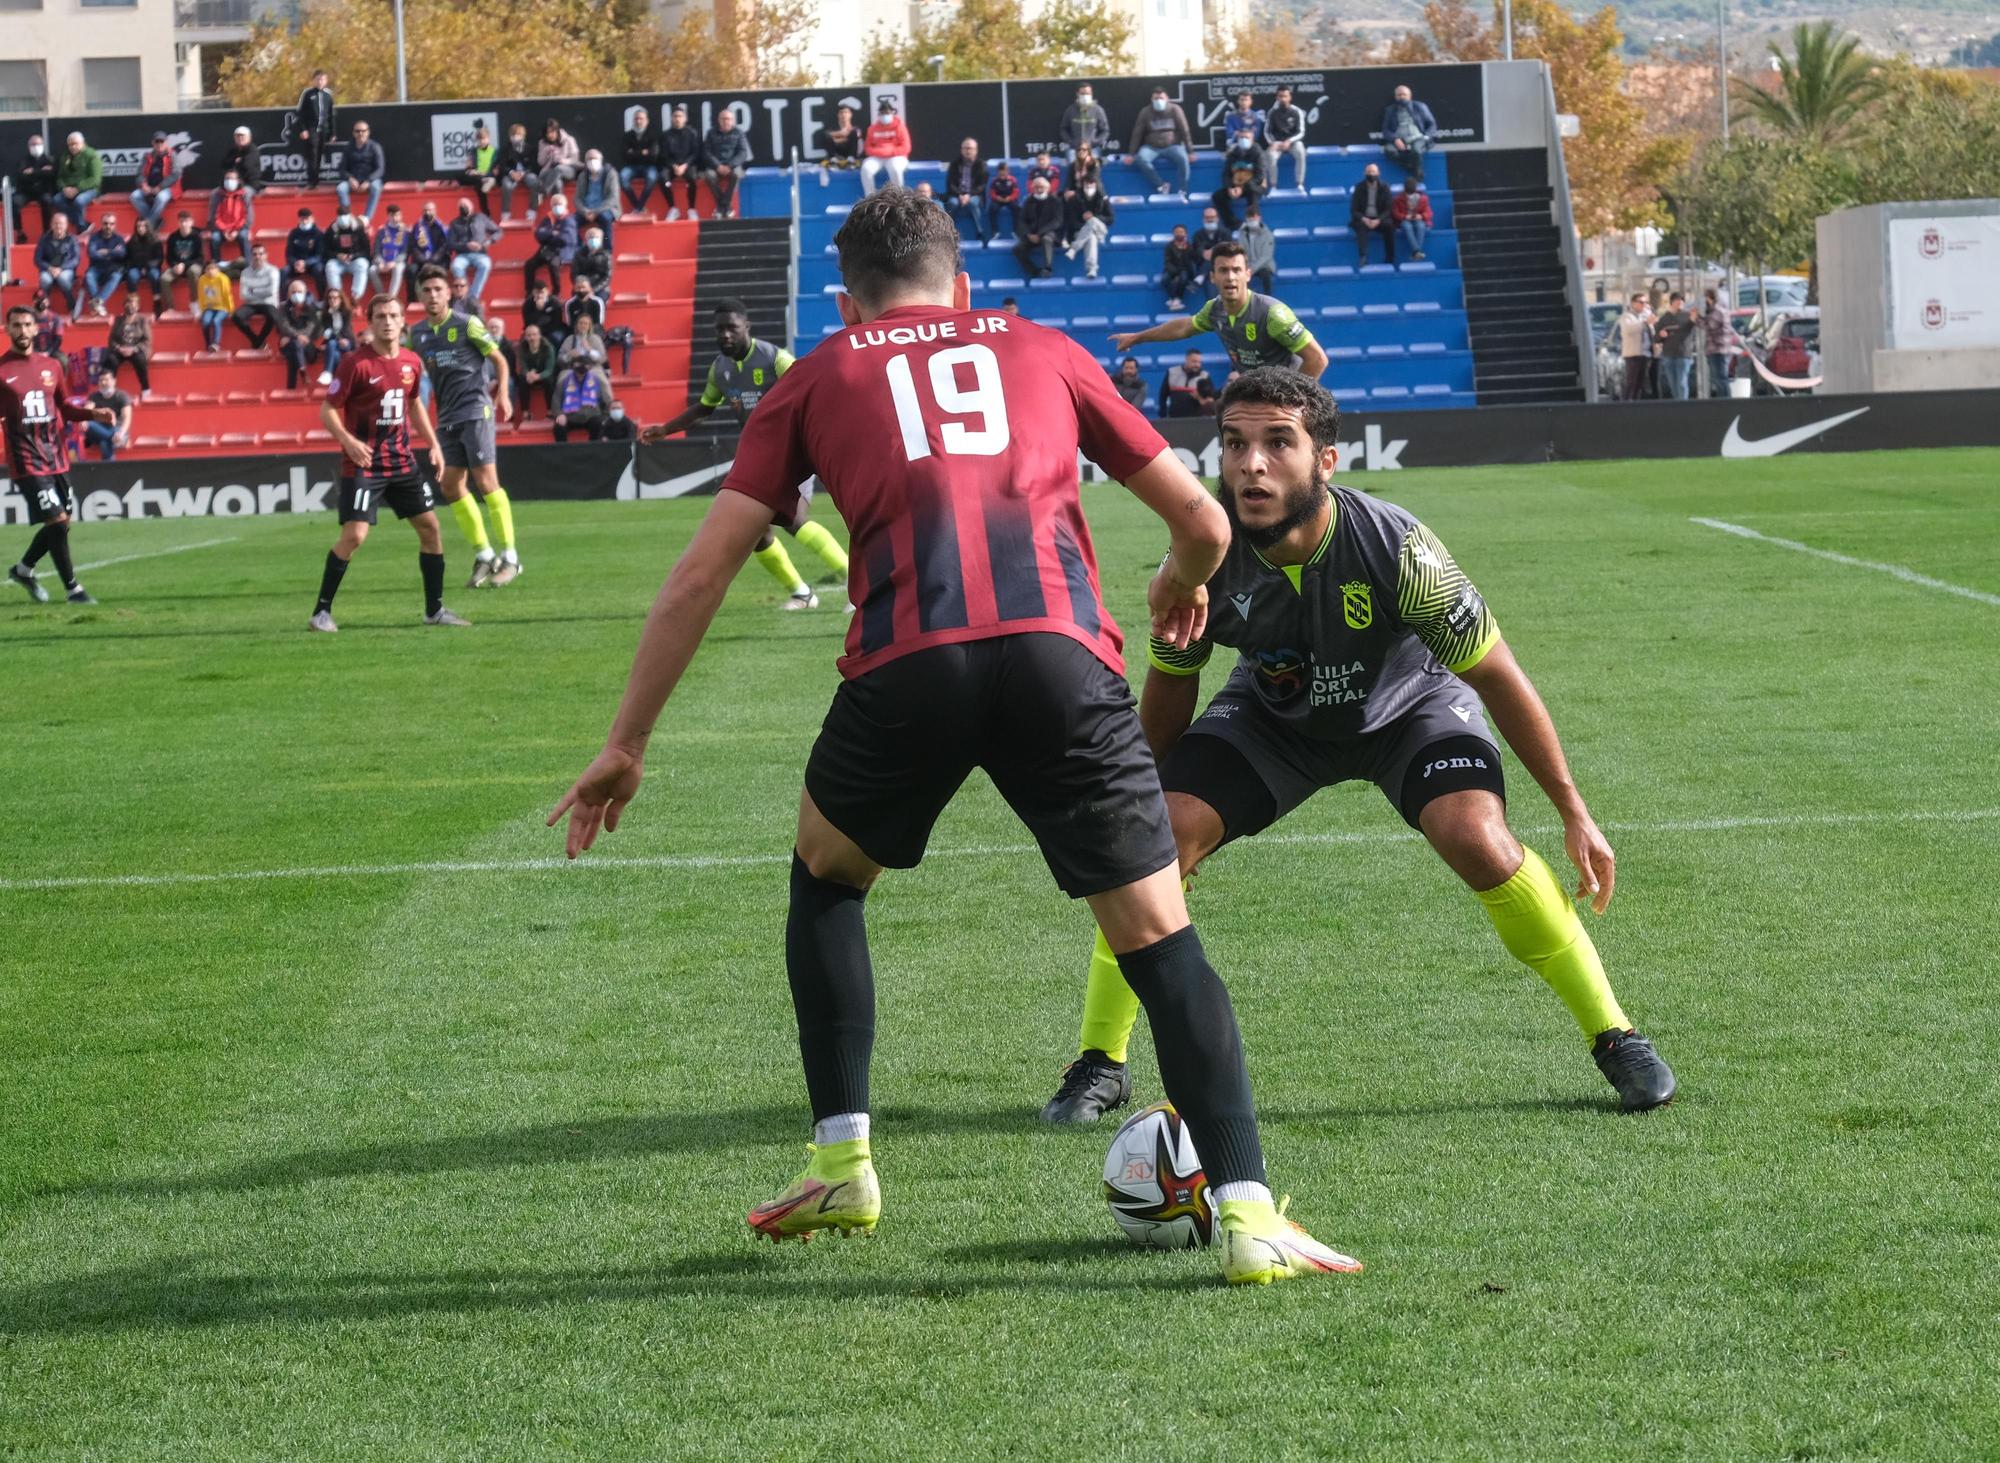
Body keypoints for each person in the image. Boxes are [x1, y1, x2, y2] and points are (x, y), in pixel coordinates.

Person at [548, 188, 1359, 1284]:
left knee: (827, 877)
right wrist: (1178, 584)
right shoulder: (1041, 347)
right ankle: (1251, 1210)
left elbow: (702, 570)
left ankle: (842, 1160)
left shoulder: (814, 374)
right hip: (1060, 657)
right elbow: (1207, 522)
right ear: (962, 284)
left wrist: (626, 742)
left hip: (906, 663)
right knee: (1158, 938)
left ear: (847, 301)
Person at [1042, 367, 1677, 1123]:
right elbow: (1173, 685)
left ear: (1326, 460)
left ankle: (1616, 1035)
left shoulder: (1399, 548)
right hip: (1273, 719)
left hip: (1409, 708)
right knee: (1163, 839)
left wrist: (1574, 809)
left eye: (1279, 443)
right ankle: (1100, 1061)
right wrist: (1133, 809)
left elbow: (1499, 675)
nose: (1252, 465)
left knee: (1476, 836)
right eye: (1235, 444)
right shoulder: (1200, 555)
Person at [638, 299, 848, 609]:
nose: (725, 335)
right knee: (756, 533)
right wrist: (665, 430)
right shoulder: (720, 369)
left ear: (746, 327)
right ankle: (802, 593)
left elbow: (810, 392)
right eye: (719, 329)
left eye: (731, 328)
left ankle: (856, 580)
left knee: (794, 520)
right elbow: (704, 408)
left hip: (793, 450)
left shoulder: (774, 358)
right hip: (759, 455)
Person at [308, 293, 462, 632]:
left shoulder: (411, 361)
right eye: (381, 316)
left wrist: (433, 445)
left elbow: (414, 405)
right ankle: (321, 612)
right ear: (370, 321)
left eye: (393, 315)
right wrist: (349, 442)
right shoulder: (355, 364)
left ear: (402, 320)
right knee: (355, 536)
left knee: (431, 529)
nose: (388, 322)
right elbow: (327, 410)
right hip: (364, 464)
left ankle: (434, 610)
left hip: (402, 462)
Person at [409, 266, 521, 588]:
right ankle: (485, 554)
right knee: (451, 486)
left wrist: (502, 395)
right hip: (446, 417)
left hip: (475, 410)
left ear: (449, 293)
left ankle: (511, 557)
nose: (433, 295)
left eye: (438, 289)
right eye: (426, 290)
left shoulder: (467, 323)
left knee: (486, 482)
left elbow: (498, 359)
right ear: (420, 296)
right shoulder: (417, 334)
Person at [4, 305, 114, 603]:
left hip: (55, 455)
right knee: (56, 519)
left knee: (62, 523)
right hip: (25, 458)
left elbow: (64, 407)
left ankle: (24, 570)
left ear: (36, 328)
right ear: (8, 328)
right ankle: (73, 589)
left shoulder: (52, 365)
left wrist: (93, 414)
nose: (23, 330)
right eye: (16, 325)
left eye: (27, 325)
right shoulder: (2, 371)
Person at [1112, 243, 1328, 379]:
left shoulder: (1272, 313)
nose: (1230, 277)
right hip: (1255, 393)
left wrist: (1294, 400)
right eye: (1223, 270)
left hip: (1286, 395)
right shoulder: (1215, 309)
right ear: (1213, 277)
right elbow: (1183, 328)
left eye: (1236, 270)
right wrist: (1137, 337)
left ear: (1248, 275)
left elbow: (1317, 360)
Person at [1127, 87, 1194, 197]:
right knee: (1141, 158)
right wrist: (1131, 154)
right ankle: (1161, 185)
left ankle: (1183, 189)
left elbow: (1185, 130)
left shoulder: (1175, 109)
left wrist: (1190, 151)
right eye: (1156, 98)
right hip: (1152, 147)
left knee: (1183, 159)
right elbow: (1137, 133)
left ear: (1167, 98)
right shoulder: (1145, 112)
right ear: (1151, 99)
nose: (1159, 100)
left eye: (1161, 98)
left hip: (1173, 146)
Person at [1381, 83, 1439, 186]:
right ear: (1395, 97)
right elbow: (1386, 129)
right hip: (1400, 139)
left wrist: (1426, 137)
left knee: (1416, 150)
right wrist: (1395, 139)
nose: (1401, 97)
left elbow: (1432, 124)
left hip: (1418, 138)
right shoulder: (1390, 110)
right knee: (1389, 150)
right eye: (1399, 95)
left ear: (1410, 96)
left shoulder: (1420, 106)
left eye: (1404, 94)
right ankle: (1412, 166)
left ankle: (1418, 176)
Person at [701, 109, 751, 220]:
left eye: (728, 119)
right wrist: (717, 166)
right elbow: (706, 152)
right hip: (715, 166)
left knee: (737, 175)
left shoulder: (739, 133)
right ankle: (727, 207)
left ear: (733, 121)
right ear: (718, 120)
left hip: (732, 166)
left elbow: (743, 153)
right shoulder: (711, 133)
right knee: (709, 175)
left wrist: (730, 166)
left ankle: (721, 205)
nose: (725, 121)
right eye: (723, 119)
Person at [232, 243, 284, 349]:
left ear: (266, 255)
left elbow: (271, 292)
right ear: (251, 256)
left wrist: (253, 290)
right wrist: (261, 292)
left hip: (268, 303)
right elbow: (243, 295)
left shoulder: (273, 270)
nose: (258, 257)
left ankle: (258, 342)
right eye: (255, 254)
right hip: (251, 304)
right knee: (237, 316)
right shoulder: (245, 272)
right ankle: (256, 341)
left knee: (273, 317)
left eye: (261, 254)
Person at [1061, 176, 1114, 279]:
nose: (1089, 187)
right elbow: (1072, 221)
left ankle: (1074, 249)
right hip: (1080, 232)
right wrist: (1086, 226)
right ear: (1083, 185)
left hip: (1100, 230)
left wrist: (1094, 218)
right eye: (1087, 185)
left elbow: (1111, 219)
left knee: (1093, 221)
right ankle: (1092, 269)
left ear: (1096, 185)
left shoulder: (1103, 198)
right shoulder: (1075, 199)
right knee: (1091, 238)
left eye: (1092, 184)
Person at [447, 199, 500, 302]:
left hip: (480, 254)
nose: (463, 207)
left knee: (485, 265)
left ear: (472, 207)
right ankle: (465, 294)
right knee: (456, 266)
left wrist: (487, 243)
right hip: (462, 255)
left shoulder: (481, 218)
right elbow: (450, 243)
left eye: (465, 205)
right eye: (461, 206)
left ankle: (473, 297)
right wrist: (466, 245)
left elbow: (498, 231)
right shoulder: (454, 223)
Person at [525, 196, 578, 297]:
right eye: (554, 204)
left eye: (559, 204)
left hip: (562, 250)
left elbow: (564, 240)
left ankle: (556, 291)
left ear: (565, 205)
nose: (557, 206)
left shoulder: (569, 220)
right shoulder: (547, 218)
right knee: (529, 264)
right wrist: (554, 234)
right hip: (546, 249)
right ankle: (529, 291)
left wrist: (548, 235)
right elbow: (538, 234)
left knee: (553, 264)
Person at [1013, 176, 1064, 280]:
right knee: (1018, 249)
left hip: (1049, 233)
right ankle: (1034, 271)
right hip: (1031, 234)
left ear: (1047, 188)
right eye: (1036, 187)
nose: (1039, 190)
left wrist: (1040, 233)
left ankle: (1048, 268)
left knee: (1047, 239)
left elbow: (1057, 221)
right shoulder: (1028, 201)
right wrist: (1028, 234)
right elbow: (1022, 220)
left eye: (1042, 187)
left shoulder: (1055, 201)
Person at [276, 280, 324, 389]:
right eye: (293, 292)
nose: (296, 294)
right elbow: (284, 326)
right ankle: (302, 372)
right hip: (289, 345)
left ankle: (291, 387)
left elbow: (310, 329)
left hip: (309, 347)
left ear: (305, 292)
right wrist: (297, 337)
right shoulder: (283, 307)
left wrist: (293, 337)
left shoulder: (312, 307)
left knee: (293, 350)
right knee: (294, 346)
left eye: (299, 291)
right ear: (288, 294)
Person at [860, 96, 911, 196]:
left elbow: (906, 147)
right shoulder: (873, 128)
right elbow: (867, 148)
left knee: (895, 168)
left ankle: (899, 196)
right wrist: (881, 152)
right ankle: (870, 197)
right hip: (878, 157)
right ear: (879, 114)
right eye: (882, 113)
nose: (885, 115)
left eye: (887, 113)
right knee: (866, 168)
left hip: (896, 157)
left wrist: (889, 152)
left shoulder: (900, 126)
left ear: (892, 113)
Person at [128, 132, 181, 229]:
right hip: (149, 187)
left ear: (166, 142)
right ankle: (155, 220)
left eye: (162, 141)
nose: (159, 144)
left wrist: (160, 187)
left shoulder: (172, 155)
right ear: (153, 143)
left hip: (168, 188)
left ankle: (149, 225)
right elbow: (139, 174)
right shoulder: (147, 156)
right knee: (134, 196)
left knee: (160, 198)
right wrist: (143, 185)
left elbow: (176, 174)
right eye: (157, 141)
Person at [337, 121, 386, 225]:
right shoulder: (348, 148)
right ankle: (348, 217)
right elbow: (341, 169)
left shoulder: (375, 147)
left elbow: (380, 169)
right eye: (357, 131)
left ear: (368, 132)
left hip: (371, 180)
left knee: (376, 187)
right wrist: (350, 179)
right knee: (341, 188)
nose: (360, 134)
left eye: (363, 131)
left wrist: (368, 181)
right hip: (353, 180)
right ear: (353, 133)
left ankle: (366, 218)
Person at [551, 358, 612, 440]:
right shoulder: (564, 382)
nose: (580, 375)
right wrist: (559, 414)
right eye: (578, 372)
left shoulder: (598, 381)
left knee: (598, 424)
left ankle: (593, 450)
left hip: (591, 416)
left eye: (583, 372)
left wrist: (605, 416)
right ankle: (564, 452)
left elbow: (607, 401)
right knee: (559, 427)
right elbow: (556, 400)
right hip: (569, 416)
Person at [660, 104, 702, 219]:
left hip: (688, 165)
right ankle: (673, 208)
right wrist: (674, 166)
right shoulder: (666, 135)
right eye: (675, 116)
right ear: (671, 118)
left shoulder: (692, 133)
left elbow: (695, 153)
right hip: (671, 166)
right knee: (663, 179)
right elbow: (663, 155)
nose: (677, 118)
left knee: (692, 179)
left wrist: (685, 165)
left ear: (685, 118)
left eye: (680, 116)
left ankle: (692, 209)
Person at [1262, 85, 1307, 192]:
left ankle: (1299, 184)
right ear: (1277, 98)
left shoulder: (1297, 111)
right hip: (1277, 143)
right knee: (1270, 155)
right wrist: (1272, 143)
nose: (1283, 99)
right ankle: (1273, 186)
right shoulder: (1272, 112)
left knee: (1301, 151)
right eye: (1280, 96)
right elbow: (1266, 131)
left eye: (1285, 96)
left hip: (1293, 142)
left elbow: (1301, 132)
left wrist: (1289, 141)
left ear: (1290, 97)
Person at [574, 149, 622, 249]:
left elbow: (613, 198)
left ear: (601, 160)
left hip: (605, 209)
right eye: (589, 159)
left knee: (606, 219)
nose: (592, 161)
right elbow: (577, 198)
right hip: (586, 210)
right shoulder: (583, 176)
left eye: (594, 158)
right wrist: (585, 211)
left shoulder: (610, 174)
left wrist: (596, 212)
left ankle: (607, 250)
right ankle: (581, 249)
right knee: (570, 223)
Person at [82, 365, 132, 461]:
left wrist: (121, 433)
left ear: (114, 381)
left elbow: (127, 417)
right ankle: (114, 439)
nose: (103, 383)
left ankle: (110, 471)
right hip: (99, 429)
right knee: (89, 424)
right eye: (101, 380)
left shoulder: (122, 396)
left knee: (104, 443)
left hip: (117, 429)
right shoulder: (94, 396)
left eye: (106, 380)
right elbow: (87, 409)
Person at [1350, 162, 1396, 265]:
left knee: (1389, 226)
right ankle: (1363, 257)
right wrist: (1364, 219)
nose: (1371, 174)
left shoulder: (1385, 187)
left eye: (1373, 172)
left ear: (1378, 173)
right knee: (1360, 226)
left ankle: (1390, 257)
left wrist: (1378, 220)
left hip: (1380, 218)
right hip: (1364, 218)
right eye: (1369, 172)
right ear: (1365, 173)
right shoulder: (1359, 187)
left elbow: (1388, 209)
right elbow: (1354, 210)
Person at [54, 133, 103, 230]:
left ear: (83, 143)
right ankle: (83, 224)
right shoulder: (65, 156)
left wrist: (78, 189)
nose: (72, 147)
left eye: (75, 144)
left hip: (89, 189)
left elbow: (95, 179)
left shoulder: (92, 155)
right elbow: (60, 177)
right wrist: (64, 188)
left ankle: (81, 228)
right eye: (70, 145)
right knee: (57, 200)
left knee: (79, 201)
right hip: (68, 189)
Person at [12, 134, 58, 238]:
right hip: (26, 191)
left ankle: (47, 232)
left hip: (43, 190)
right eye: (33, 144)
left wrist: (33, 171)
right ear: (28, 146)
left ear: (43, 145)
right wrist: (41, 172)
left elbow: (51, 175)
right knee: (14, 201)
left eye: (38, 144)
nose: (36, 146)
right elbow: (21, 176)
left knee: (47, 201)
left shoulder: (49, 159)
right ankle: (19, 232)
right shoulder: (23, 161)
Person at [83, 214, 129, 318]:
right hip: (96, 268)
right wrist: (113, 252)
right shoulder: (94, 238)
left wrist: (105, 252)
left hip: (112, 269)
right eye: (105, 223)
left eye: (111, 224)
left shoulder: (119, 238)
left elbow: (122, 254)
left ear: (115, 225)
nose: (108, 226)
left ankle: (97, 304)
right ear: (101, 224)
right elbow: (91, 253)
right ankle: (99, 305)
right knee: (89, 276)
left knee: (116, 276)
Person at [295, 70, 335, 187]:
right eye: (318, 79)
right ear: (314, 80)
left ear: (326, 81)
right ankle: (312, 180)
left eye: (322, 79)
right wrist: (303, 129)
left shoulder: (328, 96)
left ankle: (316, 178)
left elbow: (331, 115)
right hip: (311, 129)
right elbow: (300, 113)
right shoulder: (308, 94)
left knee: (319, 154)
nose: (320, 82)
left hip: (324, 129)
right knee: (312, 153)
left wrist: (333, 133)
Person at [322, 208, 372, 302]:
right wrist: (337, 255)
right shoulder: (332, 229)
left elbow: (366, 250)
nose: (343, 218)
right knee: (330, 266)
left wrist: (354, 256)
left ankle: (355, 297)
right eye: (340, 216)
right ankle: (338, 296)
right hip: (338, 261)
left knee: (363, 264)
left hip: (354, 260)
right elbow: (325, 250)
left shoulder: (358, 228)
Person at [1655, 292, 1698, 400]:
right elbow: (1656, 338)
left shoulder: (1688, 316)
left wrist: (1693, 319)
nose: (1680, 302)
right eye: (1677, 300)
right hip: (1668, 355)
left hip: (1683, 354)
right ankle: (1677, 405)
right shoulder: (1664, 318)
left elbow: (1692, 326)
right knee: (1673, 384)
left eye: (1682, 301)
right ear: (1671, 302)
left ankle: (1683, 406)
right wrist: (1660, 335)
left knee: (1681, 382)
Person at [34, 216, 80, 316]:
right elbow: (37, 259)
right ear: (51, 225)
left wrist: (61, 269)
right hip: (48, 269)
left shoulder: (72, 240)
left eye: (61, 223)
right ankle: (44, 307)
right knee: (45, 280)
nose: (58, 226)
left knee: (63, 279)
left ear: (66, 225)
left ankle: (71, 304)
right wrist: (49, 268)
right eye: (56, 223)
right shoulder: (44, 239)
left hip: (66, 269)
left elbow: (75, 259)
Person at [942, 138, 987, 241]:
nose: (968, 151)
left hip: (974, 195)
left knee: (973, 203)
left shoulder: (981, 165)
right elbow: (951, 184)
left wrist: (968, 195)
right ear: (961, 150)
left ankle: (980, 232)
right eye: (965, 148)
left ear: (976, 150)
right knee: (952, 204)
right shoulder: (954, 164)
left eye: (970, 148)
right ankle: (948, 231)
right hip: (956, 195)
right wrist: (960, 195)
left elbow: (981, 186)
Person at [106, 295, 153, 394]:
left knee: (140, 360)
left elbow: (147, 340)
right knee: (111, 360)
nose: (130, 306)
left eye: (133, 304)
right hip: (120, 349)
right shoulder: (118, 320)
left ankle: (145, 388)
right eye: (128, 303)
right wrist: (119, 348)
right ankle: (109, 388)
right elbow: (111, 339)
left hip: (136, 350)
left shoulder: (142, 320)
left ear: (137, 306)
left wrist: (134, 349)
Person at [491, 124, 538, 222]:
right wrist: (511, 172)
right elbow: (502, 165)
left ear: (523, 136)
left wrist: (523, 173)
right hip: (510, 174)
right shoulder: (505, 149)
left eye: (518, 135)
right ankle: (505, 213)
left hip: (525, 174)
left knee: (534, 181)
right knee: (506, 185)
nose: (515, 137)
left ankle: (532, 211)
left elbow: (533, 165)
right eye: (513, 135)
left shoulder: (530, 149)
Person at [619, 107, 661, 214]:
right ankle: (639, 207)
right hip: (632, 166)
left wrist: (633, 152)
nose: (638, 121)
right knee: (622, 178)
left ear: (647, 121)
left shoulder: (653, 135)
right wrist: (643, 152)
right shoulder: (627, 136)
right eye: (636, 119)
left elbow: (654, 155)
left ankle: (638, 208)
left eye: (641, 119)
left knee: (652, 179)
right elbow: (624, 155)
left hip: (648, 166)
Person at [162, 212, 206, 313]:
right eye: (181, 221)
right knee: (164, 279)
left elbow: (201, 258)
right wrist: (174, 266)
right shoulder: (173, 237)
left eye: (186, 221)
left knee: (193, 272)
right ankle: (170, 307)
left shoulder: (197, 237)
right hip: (177, 267)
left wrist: (184, 264)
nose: (184, 224)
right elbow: (169, 257)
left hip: (193, 265)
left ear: (191, 222)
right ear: (178, 222)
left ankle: (195, 302)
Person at [207, 170, 253, 264]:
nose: (229, 181)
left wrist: (237, 230)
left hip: (239, 228)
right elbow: (213, 217)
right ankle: (216, 265)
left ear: (238, 181)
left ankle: (248, 265)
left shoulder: (244, 194)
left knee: (244, 236)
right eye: (227, 178)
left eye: (232, 178)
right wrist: (224, 231)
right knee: (215, 238)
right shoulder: (217, 194)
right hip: (221, 229)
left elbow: (248, 217)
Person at [512, 321, 557, 418]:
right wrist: (528, 374)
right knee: (522, 381)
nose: (532, 338)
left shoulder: (548, 348)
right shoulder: (522, 347)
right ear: (525, 337)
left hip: (544, 374)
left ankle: (550, 411)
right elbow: (522, 366)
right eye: (529, 335)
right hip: (530, 375)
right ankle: (525, 412)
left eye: (534, 335)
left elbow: (549, 369)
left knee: (549, 381)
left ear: (539, 335)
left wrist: (538, 376)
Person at [1058, 82, 1113, 160]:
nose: (1085, 96)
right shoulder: (1070, 110)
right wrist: (1071, 142)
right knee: (1073, 168)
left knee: (1093, 169)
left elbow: (1105, 130)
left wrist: (1095, 142)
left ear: (1091, 94)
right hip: (1074, 149)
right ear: (1077, 94)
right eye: (1083, 93)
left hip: (1093, 149)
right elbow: (1063, 129)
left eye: (1088, 93)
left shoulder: (1098, 110)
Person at [1702, 287, 1739, 396]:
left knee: (1721, 377)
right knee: (1718, 378)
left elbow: (1709, 325)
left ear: (1710, 298)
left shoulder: (1717, 311)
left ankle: (1725, 401)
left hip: (1718, 350)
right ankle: (1723, 400)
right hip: (1718, 349)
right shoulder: (1718, 310)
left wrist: (1696, 318)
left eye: (1706, 298)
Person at [1617, 293, 1653, 401]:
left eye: (1646, 302)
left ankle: (1637, 404)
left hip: (1645, 353)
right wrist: (1645, 323)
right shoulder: (1627, 316)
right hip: (1633, 354)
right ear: (1633, 303)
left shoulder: (1645, 316)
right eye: (1641, 302)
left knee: (1641, 383)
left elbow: (1652, 332)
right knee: (1631, 382)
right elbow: (1629, 329)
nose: (1644, 305)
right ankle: (1627, 403)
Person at [123, 219, 164, 315]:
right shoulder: (132, 241)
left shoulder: (155, 241)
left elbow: (159, 258)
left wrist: (147, 267)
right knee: (131, 276)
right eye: (138, 226)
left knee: (154, 275)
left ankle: (157, 301)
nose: (140, 229)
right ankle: (133, 304)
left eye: (143, 226)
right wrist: (139, 267)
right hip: (136, 267)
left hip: (151, 267)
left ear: (148, 227)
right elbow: (128, 258)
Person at [459, 121, 499, 219]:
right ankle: (485, 212)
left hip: (489, 176)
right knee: (460, 177)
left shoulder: (495, 152)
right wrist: (470, 171)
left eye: (484, 139)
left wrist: (486, 174)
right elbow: (468, 167)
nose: (482, 141)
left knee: (479, 186)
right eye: (480, 139)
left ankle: (485, 213)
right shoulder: (473, 151)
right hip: (477, 176)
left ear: (488, 139)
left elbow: (496, 170)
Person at [1160, 349, 1216, 418]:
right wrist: (1162, 415)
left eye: (1199, 362)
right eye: (1194, 362)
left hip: (1197, 419)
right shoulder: (1172, 372)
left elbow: (1210, 400)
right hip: (1174, 418)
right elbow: (1163, 396)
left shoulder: (1204, 376)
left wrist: (1199, 397)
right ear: (1186, 359)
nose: (1197, 365)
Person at [372, 204, 411, 302]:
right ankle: (381, 296)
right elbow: (376, 250)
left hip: (397, 262)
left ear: (401, 216)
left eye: (398, 215)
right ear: (388, 216)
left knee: (398, 268)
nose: (395, 218)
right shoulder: (381, 231)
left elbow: (405, 252)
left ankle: (391, 297)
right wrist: (380, 262)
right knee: (372, 270)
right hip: (383, 262)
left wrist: (394, 262)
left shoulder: (405, 232)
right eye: (393, 216)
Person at [409, 201, 451, 290]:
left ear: (435, 211)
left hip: (439, 260)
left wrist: (433, 260)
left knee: (440, 271)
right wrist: (424, 260)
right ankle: (413, 300)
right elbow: (413, 246)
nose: (427, 212)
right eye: (425, 210)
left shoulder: (441, 227)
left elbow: (444, 247)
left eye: (430, 210)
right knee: (411, 270)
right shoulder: (417, 227)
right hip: (421, 260)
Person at [536, 118, 581, 201]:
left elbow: (575, 159)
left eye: (552, 132)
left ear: (557, 130)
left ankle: (542, 193)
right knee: (557, 183)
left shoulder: (569, 140)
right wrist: (546, 151)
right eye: (547, 133)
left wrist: (564, 161)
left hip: (568, 170)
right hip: (549, 171)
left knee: (559, 168)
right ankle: (558, 208)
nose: (550, 135)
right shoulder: (542, 143)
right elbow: (540, 162)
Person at [195, 259, 234, 353]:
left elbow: (227, 295)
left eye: (213, 268)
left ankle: (215, 344)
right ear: (205, 270)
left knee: (216, 320)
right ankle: (208, 344)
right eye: (208, 269)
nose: (211, 271)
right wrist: (200, 310)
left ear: (218, 269)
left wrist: (230, 309)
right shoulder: (202, 280)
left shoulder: (223, 279)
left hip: (222, 307)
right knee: (205, 322)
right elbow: (200, 296)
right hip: (209, 307)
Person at [1222, 92, 1265, 179]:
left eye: (1246, 100)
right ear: (1238, 101)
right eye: (1242, 99)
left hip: (1252, 144)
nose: (1244, 102)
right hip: (1235, 144)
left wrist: (1246, 135)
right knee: (1227, 155)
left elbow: (1256, 135)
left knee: (1260, 154)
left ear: (1250, 102)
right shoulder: (1231, 116)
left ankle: (1259, 181)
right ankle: (1230, 182)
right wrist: (1243, 135)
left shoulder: (1256, 116)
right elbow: (1229, 133)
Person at [284, 208, 325, 298]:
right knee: (284, 272)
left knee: (319, 270)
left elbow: (319, 255)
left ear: (312, 219)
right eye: (302, 219)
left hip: (312, 264)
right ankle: (284, 299)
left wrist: (305, 263)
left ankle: (321, 299)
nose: (305, 221)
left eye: (307, 219)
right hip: (296, 264)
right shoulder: (294, 233)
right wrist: (295, 263)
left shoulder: (318, 234)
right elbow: (288, 253)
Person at [1211, 161, 1260, 233]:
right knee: (1217, 196)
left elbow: (1259, 176)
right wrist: (1230, 187)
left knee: (1253, 194)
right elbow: (1226, 174)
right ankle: (1235, 224)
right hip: (1234, 185)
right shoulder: (1233, 155)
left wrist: (1242, 187)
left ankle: (1253, 222)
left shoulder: (1256, 154)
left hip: (1251, 186)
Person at [219, 125, 266, 197]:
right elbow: (224, 164)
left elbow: (247, 165)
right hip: (232, 184)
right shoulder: (233, 150)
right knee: (215, 194)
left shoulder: (253, 150)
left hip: (250, 184)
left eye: (242, 136)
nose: (240, 138)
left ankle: (248, 209)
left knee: (244, 195)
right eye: (238, 136)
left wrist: (238, 162)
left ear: (249, 137)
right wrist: (235, 161)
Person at [1189, 208, 1227, 296]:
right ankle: (1202, 276)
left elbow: (1228, 249)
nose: (1210, 219)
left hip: (1222, 266)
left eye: (1212, 217)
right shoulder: (1197, 235)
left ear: (1217, 218)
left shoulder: (1225, 233)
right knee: (1210, 282)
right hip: (1205, 267)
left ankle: (1200, 277)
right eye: (1207, 217)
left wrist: (1213, 252)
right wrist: (1203, 253)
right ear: (1203, 219)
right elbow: (1195, 252)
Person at [1239, 202, 1276, 294]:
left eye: (1253, 217)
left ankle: (1269, 299)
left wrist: (1252, 269)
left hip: (1263, 265)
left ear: (1259, 218)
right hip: (1247, 265)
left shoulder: (1267, 235)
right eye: (1249, 218)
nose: (1251, 220)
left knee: (1266, 275)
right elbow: (1241, 251)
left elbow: (1266, 256)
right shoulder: (1242, 233)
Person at [520, 280, 565, 351]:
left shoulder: (555, 302)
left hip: (552, 330)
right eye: (537, 293)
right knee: (524, 340)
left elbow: (557, 322)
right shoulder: (527, 304)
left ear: (547, 292)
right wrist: (538, 310)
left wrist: (544, 332)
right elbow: (527, 322)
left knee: (557, 338)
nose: (540, 295)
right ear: (533, 292)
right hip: (534, 330)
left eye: (542, 292)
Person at [816, 104, 862, 173]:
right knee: (826, 135)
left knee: (854, 133)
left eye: (846, 112)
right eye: (841, 112)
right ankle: (833, 161)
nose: (844, 115)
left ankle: (850, 161)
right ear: (838, 115)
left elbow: (858, 141)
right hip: (836, 153)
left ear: (850, 115)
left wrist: (835, 140)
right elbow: (826, 137)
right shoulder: (832, 129)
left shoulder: (856, 129)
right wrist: (840, 134)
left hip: (850, 153)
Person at [1392, 183, 1432, 261]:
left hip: (1418, 219)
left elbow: (1429, 212)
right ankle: (1417, 251)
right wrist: (1404, 216)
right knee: (1407, 227)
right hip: (1404, 220)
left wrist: (1421, 216)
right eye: (1408, 194)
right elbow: (1395, 213)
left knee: (1421, 226)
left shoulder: (1423, 198)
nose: (1410, 196)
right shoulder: (1398, 199)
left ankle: (1416, 252)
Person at [1161, 225, 1196, 311]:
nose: (1179, 234)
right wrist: (1175, 272)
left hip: (1185, 269)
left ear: (1186, 234)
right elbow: (1167, 261)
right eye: (1177, 232)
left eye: (1181, 232)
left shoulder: (1190, 246)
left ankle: (1178, 299)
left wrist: (1184, 250)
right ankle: (1173, 298)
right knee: (1164, 279)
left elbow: (1190, 261)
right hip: (1172, 269)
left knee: (1183, 278)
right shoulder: (1169, 246)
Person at [983, 160, 1019, 243]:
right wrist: (997, 197)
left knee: (1017, 208)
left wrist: (1010, 198)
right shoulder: (995, 181)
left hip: (1010, 199)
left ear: (1008, 171)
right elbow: (992, 193)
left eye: (1004, 171)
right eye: (1001, 171)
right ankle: (995, 231)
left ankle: (1016, 231)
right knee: (992, 208)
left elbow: (1016, 192)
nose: (1002, 173)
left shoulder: (1013, 180)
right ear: (998, 172)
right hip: (998, 200)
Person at [572, 227, 613, 297]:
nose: (593, 239)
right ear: (586, 239)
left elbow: (607, 277)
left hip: (600, 288)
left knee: (600, 298)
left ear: (601, 239)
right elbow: (574, 273)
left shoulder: (606, 255)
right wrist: (583, 286)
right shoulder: (579, 254)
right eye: (591, 237)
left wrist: (593, 289)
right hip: (581, 286)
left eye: (596, 237)